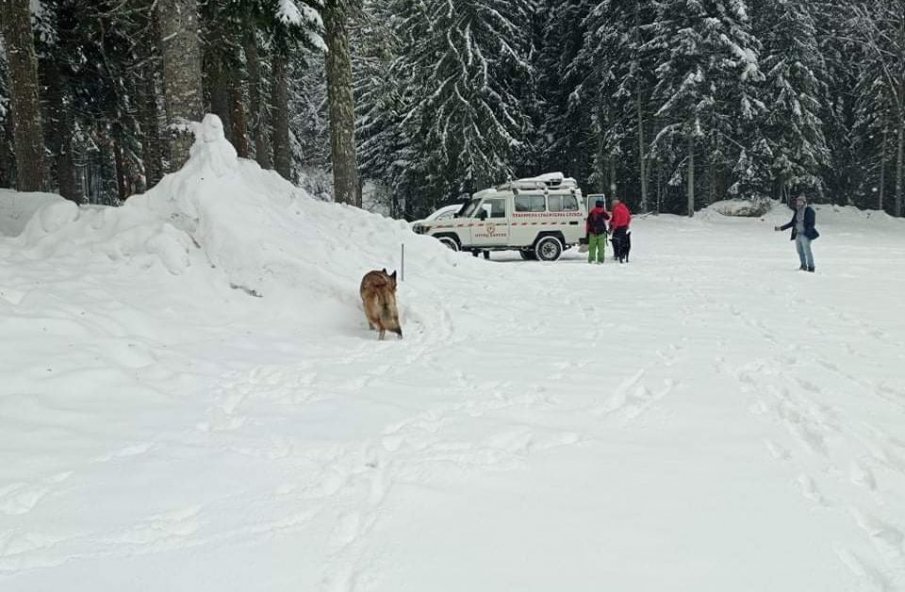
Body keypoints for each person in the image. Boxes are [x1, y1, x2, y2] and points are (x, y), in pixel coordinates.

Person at [775, 194, 819, 272]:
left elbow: (811, 224)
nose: (798, 202)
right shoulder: (797, 211)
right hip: (798, 234)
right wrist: (781, 228)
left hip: (805, 234)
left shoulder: (809, 211)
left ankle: (811, 267)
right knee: (799, 251)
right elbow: (792, 223)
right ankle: (803, 265)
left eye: (800, 201)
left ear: (804, 202)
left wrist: (806, 234)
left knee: (807, 250)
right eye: (798, 201)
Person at [585, 199, 610, 264]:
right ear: (602, 205)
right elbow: (608, 217)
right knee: (601, 248)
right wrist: (603, 211)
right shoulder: (603, 212)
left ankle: (591, 259)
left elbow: (588, 223)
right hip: (601, 233)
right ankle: (601, 260)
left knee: (592, 247)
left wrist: (587, 232)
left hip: (592, 232)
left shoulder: (592, 212)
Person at [609, 197, 632, 263]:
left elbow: (617, 220)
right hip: (624, 227)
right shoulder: (625, 208)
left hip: (618, 228)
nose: (612, 205)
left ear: (615, 203)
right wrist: (627, 225)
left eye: (612, 203)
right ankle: (623, 254)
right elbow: (629, 217)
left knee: (615, 241)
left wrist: (613, 228)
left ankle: (617, 254)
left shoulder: (616, 209)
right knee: (623, 242)